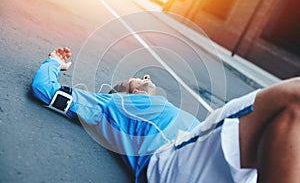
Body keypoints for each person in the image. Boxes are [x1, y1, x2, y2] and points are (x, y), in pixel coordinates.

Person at [32, 47, 300, 183]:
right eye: (135, 79)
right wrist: (55, 61)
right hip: (171, 163)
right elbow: (45, 90)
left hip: (222, 164)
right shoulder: (111, 107)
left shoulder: (167, 111)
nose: (145, 76)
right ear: (123, 92)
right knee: (294, 101)